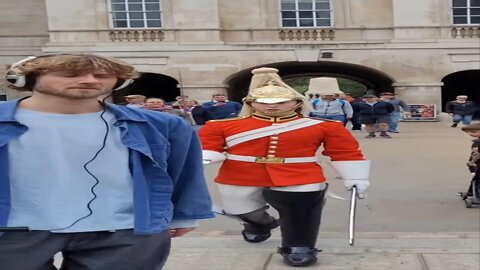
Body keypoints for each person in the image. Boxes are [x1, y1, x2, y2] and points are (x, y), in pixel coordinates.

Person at [0, 54, 214, 269]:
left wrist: (185, 216)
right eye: (71, 74)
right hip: (14, 229)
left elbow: (184, 170)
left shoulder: (161, 124)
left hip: (126, 231)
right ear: (26, 78)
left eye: (102, 75)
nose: (90, 80)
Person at [198, 67, 370, 267]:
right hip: (240, 173)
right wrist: (203, 159)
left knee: (301, 210)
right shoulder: (220, 126)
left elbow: (344, 152)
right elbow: (208, 147)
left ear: (297, 103)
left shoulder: (325, 126)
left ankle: (299, 245)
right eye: (263, 102)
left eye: (281, 102)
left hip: (299, 174)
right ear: (251, 103)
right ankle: (260, 223)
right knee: (239, 208)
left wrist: (354, 177)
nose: (272, 107)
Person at [460, 123, 480, 201]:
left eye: (474, 132)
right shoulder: (476, 143)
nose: (470, 134)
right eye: (468, 133)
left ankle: (471, 192)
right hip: (477, 165)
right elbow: (474, 157)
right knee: (476, 178)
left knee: (476, 179)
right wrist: (472, 166)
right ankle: (472, 192)